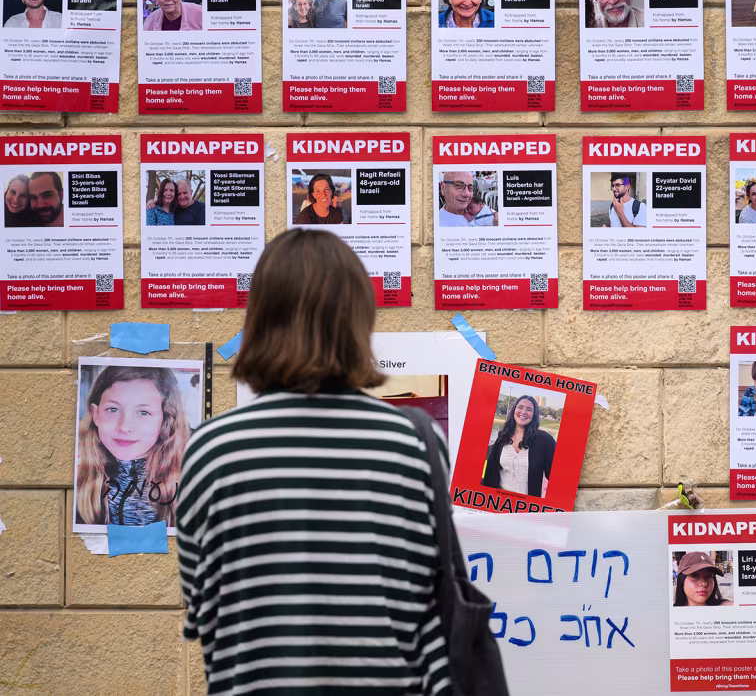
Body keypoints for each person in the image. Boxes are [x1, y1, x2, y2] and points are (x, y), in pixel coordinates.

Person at [176, 229, 451, 695]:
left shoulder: (209, 449)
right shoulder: (415, 442)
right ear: (359, 318)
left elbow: (202, 611)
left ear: (260, 318)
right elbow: (432, 605)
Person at [75, 365, 190, 527]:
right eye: (113, 409)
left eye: (143, 412)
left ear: (166, 420)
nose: (124, 426)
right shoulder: (77, 474)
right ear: (96, 415)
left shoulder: (187, 480)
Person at [481, 394, 555, 497]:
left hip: (527, 505)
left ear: (534, 415)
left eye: (529, 409)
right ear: (514, 410)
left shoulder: (544, 440)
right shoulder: (502, 437)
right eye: (520, 407)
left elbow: (557, 476)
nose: (523, 412)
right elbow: (491, 470)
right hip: (499, 499)